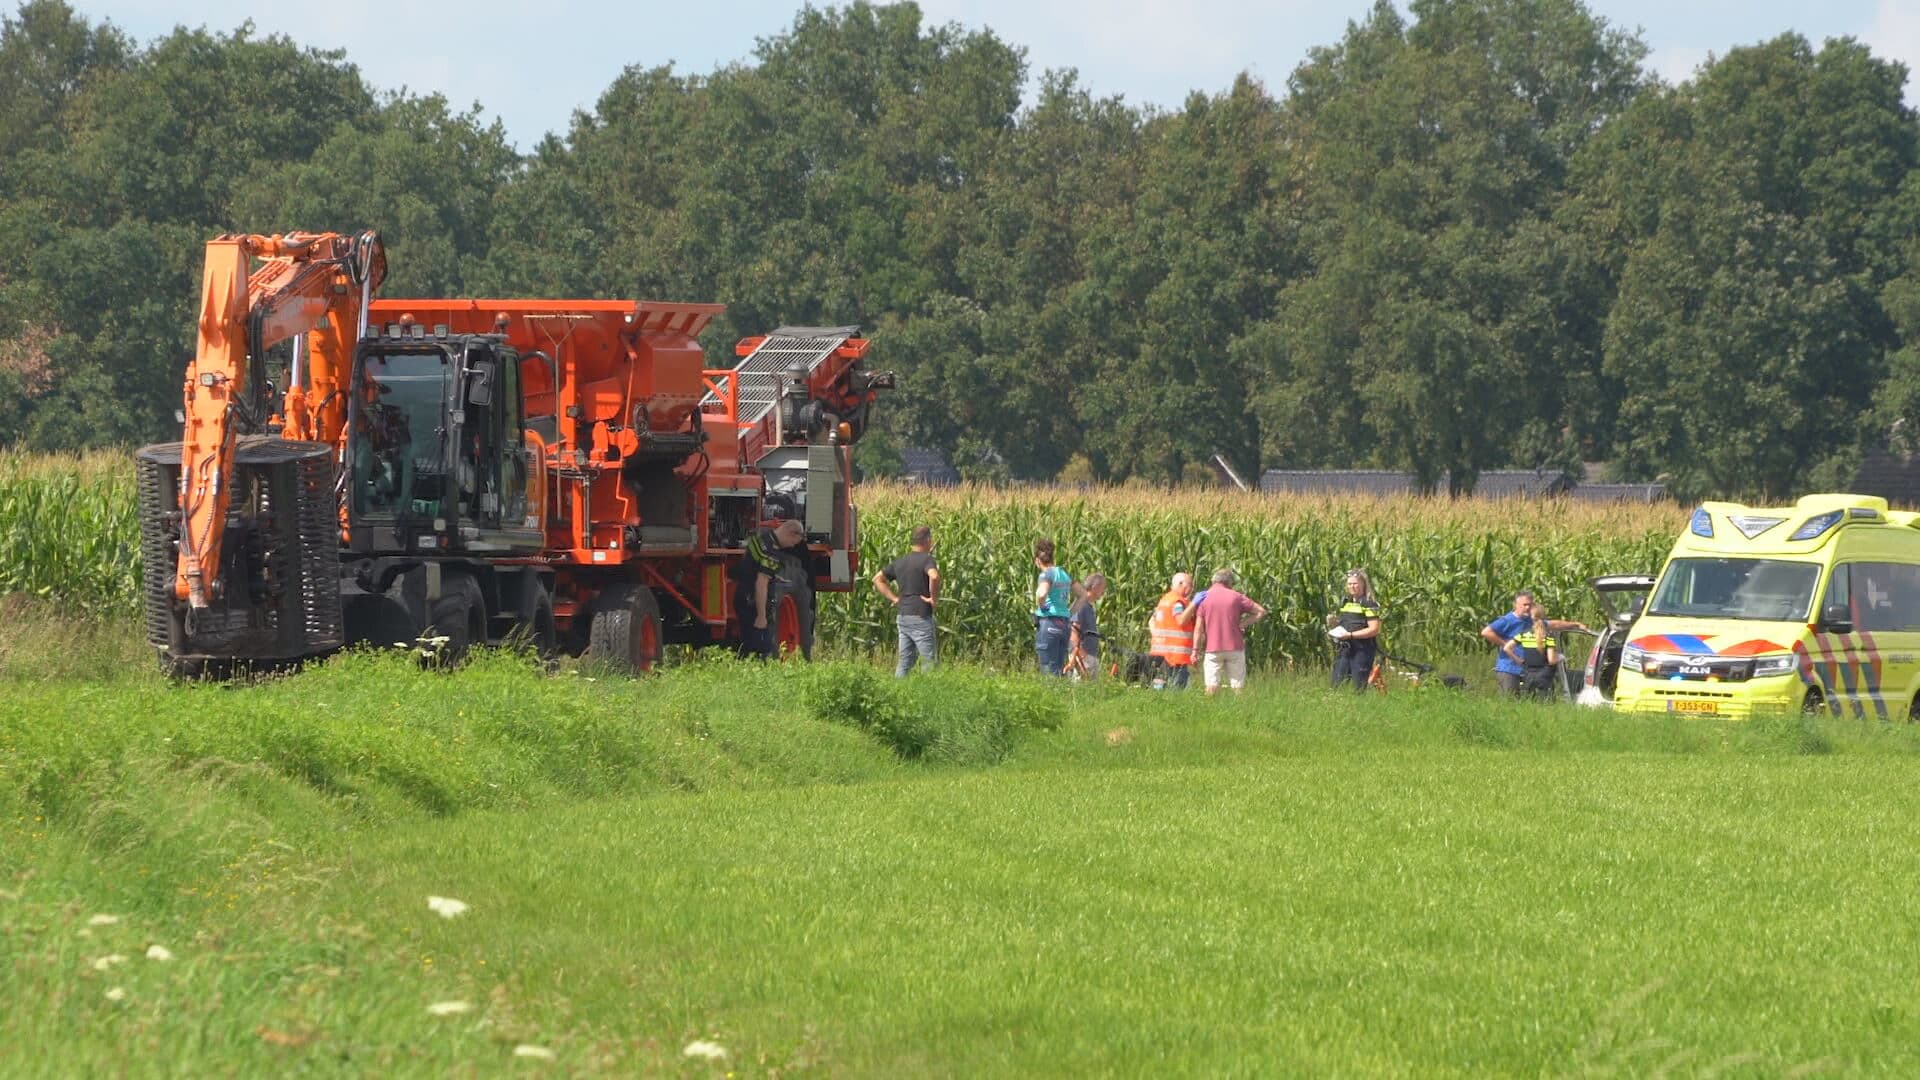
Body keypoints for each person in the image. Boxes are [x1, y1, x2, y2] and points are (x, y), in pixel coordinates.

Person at [1481, 590, 1586, 694]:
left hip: (1529, 670)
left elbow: (1554, 624)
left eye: (1530, 605)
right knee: (1509, 698)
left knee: (1530, 700)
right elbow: (1486, 632)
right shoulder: (1507, 620)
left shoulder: (1533, 620)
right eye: (1524, 605)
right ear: (1516, 605)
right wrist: (1506, 644)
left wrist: (1575, 624)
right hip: (1509, 668)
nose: (1527, 607)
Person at [732, 518, 806, 659]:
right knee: (761, 648)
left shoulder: (761, 538)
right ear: (791, 533)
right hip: (753, 603)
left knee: (746, 642)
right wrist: (761, 616)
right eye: (793, 542)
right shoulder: (772, 553)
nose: (791, 546)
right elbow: (761, 584)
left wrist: (773, 577)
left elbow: (752, 566)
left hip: (742, 595)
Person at [873, 525, 940, 676]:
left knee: (905, 661)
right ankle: (929, 690)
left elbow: (877, 579)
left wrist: (895, 599)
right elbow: (934, 576)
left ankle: (898, 688)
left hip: (903, 616)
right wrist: (933, 598)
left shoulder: (900, 561)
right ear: (928, 540)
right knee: (929, 662)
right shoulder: (927, 559)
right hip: (921, 615)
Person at [1191, 568, 1267, 695]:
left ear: (1213, 581)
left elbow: (1198, 629)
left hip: (1213, 649)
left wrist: (1195, 651)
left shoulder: (1204, 597)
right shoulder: (1236, 596)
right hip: (1235, 647)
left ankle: (1210, 706)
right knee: (1238, 687)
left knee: (1211, 687)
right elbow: (1261, 611)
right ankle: (1240, 707)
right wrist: (1242, 624)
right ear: (1229, 582)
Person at [1328, 569, 1383, 692]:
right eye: (1349, 584)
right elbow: (1347, 624)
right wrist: (1334, 623)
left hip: (1362, 650)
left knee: (1359, 687)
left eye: (1355, 584)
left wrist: (1351, 635)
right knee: (1336, 686)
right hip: (1345, 649)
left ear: (1363, 584)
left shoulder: (1369, 603)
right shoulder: (1346, 603)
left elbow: (1374, 629)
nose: (1352, 587)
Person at [1032, 538, 1078, 675]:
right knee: (1058, 668)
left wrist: (1043, 608)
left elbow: (1041, 594)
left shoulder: (1046, 574)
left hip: (1049, 622)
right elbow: (1082, 595)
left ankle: (1049, 689)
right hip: (1064, 624)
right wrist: (1069, 612)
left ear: (1037, 561)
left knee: (1048, 668)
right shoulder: (1063, 574)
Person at [1147, 572, 1199, 689]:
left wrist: (1158, 638)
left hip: (1159, 653)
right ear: (1181, 584)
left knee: (1159, 684)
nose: (1191, 588)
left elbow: (1151, 621)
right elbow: (1180, 621)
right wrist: (1193, 604)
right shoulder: (1178, 602)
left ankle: (1157, 699)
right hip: (1175, 655)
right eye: (1190, 585)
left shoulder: (1165, 600)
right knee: (1177, 688)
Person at [1505, 602, 1561, 700]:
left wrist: (1517, 660)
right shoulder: (1548, 636)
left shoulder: (1524, 634)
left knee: (1529, 701)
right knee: (1546, 703)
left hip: (1527, 674)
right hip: (1544, 675)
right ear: (1543, 617)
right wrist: (1560, 658)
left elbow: (1507, 648)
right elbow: (1551, 660)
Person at [1068, 573, 1108, 680]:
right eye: (1102, 588)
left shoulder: (1088, 606)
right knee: (1081, 687)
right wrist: (1080, 654)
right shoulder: (1081, 604)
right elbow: (1073, 630)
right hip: (1083, 656)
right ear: (1095, 587)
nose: (1103, 591)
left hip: (1088, 656)